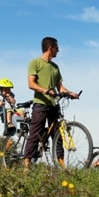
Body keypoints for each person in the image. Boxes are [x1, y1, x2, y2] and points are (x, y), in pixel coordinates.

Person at [23, 37, 80, 170]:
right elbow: (31, 84)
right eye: (57, 48)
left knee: (57, 134)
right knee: (35, 134)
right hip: (40, 104)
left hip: (54, 104)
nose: (58, 50)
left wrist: (70, 93)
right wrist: (45, 90)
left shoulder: (55, 67)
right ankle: (26, 166)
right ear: (50, 48)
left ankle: (61, 165)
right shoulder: (35, 63)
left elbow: (60, 87)